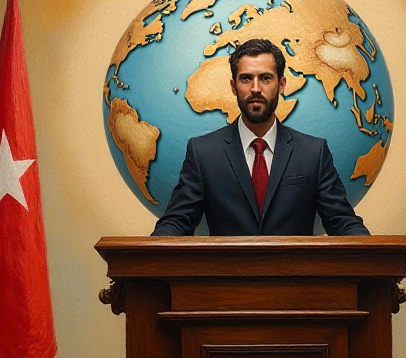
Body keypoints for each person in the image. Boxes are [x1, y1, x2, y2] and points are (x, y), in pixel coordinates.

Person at [151, 38, 369, 236]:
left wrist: (373, 253)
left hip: (293, 269)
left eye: (265, 78)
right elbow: (177, 222)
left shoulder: (313, 153)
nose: (255, 89)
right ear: (233, 87)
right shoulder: (203, 153)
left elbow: (343, 222)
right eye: (246, 78)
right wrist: (149, 253)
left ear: (281, 85)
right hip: (228, 269)